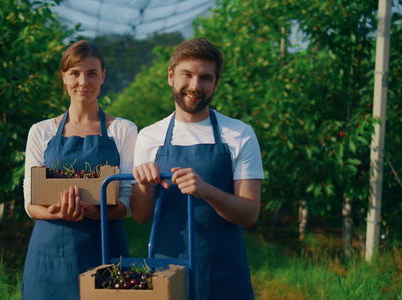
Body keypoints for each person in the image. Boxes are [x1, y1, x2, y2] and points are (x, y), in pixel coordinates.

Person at [130, 38, 264, 300]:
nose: (194, 86)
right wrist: (145, 184)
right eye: (187, 75)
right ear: (171, 76)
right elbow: (140, 216)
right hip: (166, 272)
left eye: (205, 77)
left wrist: (206, 190)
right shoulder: (148, 137)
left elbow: (249, 213)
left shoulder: (239, 134)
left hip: (225, 273)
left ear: (215, 83)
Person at [21, 40, 138, 299]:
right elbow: (30, 201)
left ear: (103, 77)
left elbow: (128, 201)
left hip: (105, 249)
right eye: (75, 73)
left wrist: (97, 214)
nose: (83, 81)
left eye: (92, 73)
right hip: (51, 252)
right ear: (63, 77)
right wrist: (55, 211)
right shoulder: (41, 131)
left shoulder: (123, 130)